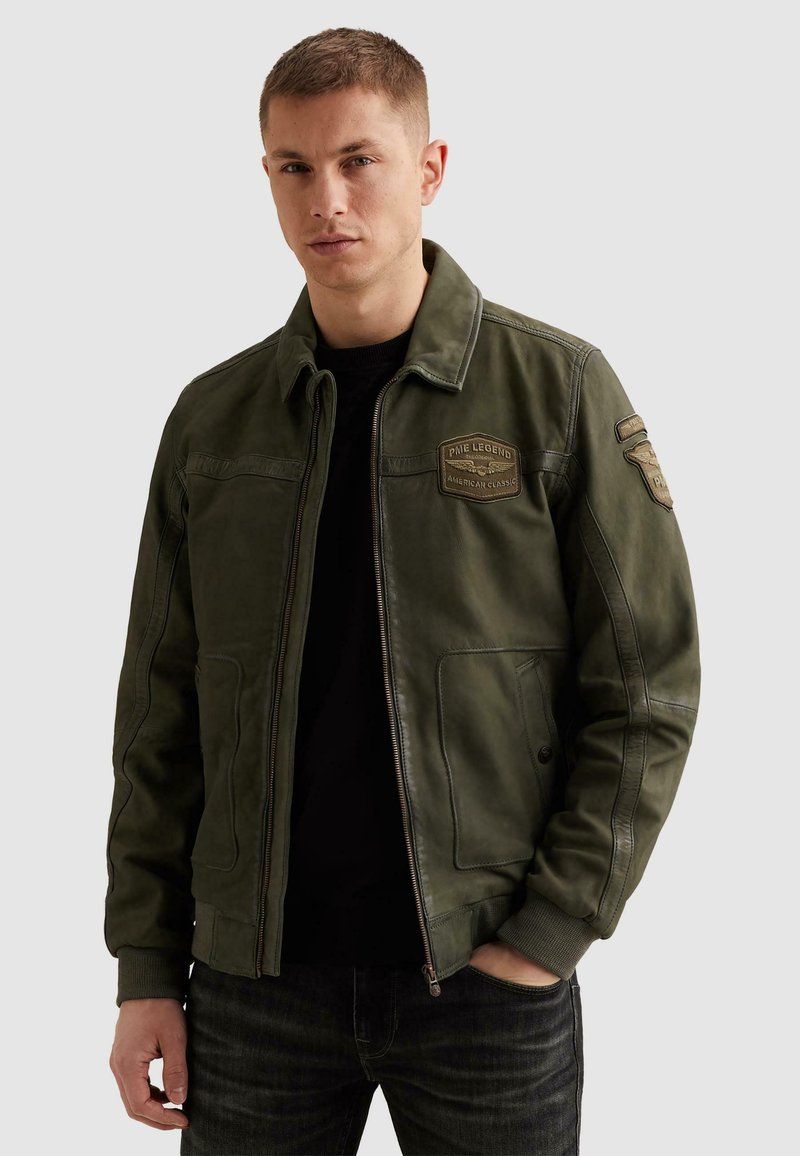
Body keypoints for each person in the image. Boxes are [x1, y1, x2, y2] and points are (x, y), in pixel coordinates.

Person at [105, 26, 701, 1156]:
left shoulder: (555, 389)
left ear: (428, 170)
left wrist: (552, 929)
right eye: (294, 166)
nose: (324, 199)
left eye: (358, 161)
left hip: (483, 982)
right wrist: (145, 967)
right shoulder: (214, 421)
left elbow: (648, 684)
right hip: (252, 986)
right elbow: (159, 719)